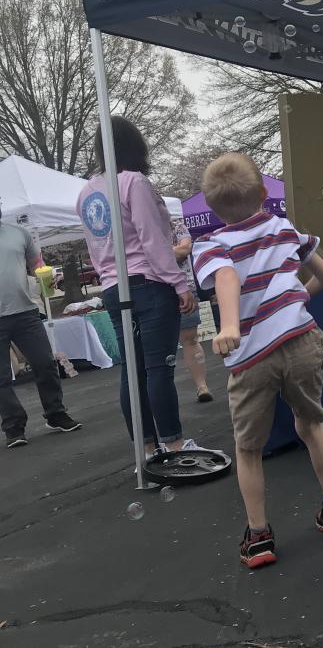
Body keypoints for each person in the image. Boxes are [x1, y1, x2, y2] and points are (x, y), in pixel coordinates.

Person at [191, 152, 323, 570]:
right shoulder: (283, 228)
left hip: (252, 357)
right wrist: (293, 302)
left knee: (248, 448)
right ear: (265, 192)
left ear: (210, 206)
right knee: (311, 425)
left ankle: (259, 535)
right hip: (302, 340)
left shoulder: (210, 245)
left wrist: (231, 326)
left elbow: (225, 276)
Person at [77, 117, 213, 459]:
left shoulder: (87, 192)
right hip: (149, 284)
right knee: (158, 368)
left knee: (132, 371)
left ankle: (148, 448)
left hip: (113, 287)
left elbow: (95, 248)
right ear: (135, 145)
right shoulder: (134, 182)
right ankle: (175, 444)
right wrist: (178, 283)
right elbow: (153, 241)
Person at [0, 206, 82, 448]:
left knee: (45, 362)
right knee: (1, 377)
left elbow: (36, 263)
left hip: (25, 311)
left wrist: (46, 275)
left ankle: (55, 413)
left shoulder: (19, 233)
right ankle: (14, 427)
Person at [170, 219, 212, 402]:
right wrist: (172, 251)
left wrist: (157, 253)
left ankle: (202, 386)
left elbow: (185, 249)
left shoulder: (177, 225)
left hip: (185, 288)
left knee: (191, 338)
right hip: (157, 289)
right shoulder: (142, 225)